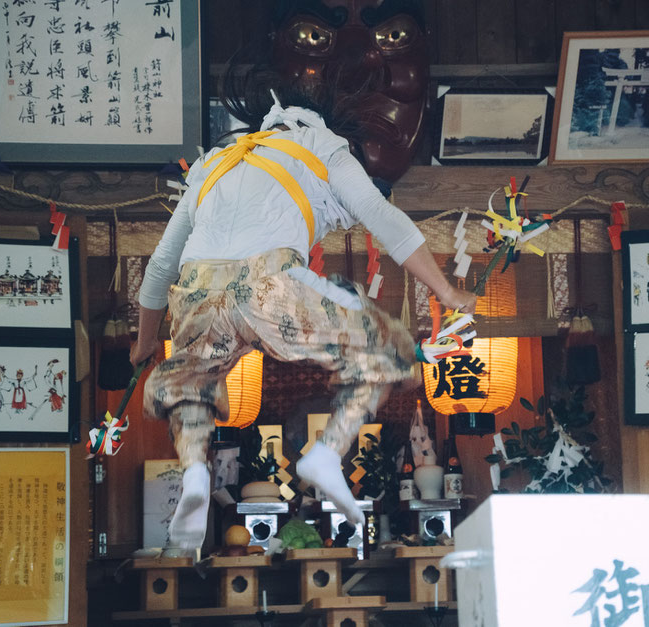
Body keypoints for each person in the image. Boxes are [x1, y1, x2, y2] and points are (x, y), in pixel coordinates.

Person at [130, 77, 476, 550]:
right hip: (269, 283)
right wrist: (446, 292)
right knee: (386, 344)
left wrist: (145, 341)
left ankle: (194, 472)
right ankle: (327, 454)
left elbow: (160, 266)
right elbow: (382, 216)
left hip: (194, 288)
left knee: (193, 377)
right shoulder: (323, 143)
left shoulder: (216, 161)